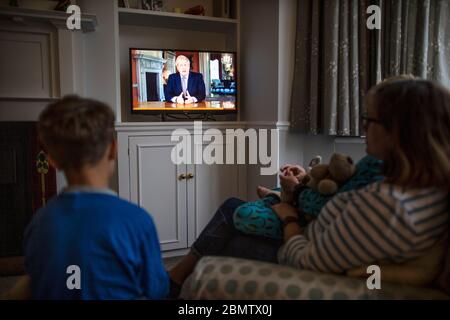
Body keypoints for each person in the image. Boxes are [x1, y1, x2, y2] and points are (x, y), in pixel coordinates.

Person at [168, 78, 450, 296]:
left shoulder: (388, 205)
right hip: (316, 236)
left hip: (302, 251)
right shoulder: (422, 187)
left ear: (397, 131)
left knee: (225, 236)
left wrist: (288, 212)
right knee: (231, 210)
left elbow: (304, 261)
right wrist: (305, 183)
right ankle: (174, 281)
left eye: (370, 119)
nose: (363, 127)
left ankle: (174, 283)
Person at [21, 96, 169, 299]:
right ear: (113, 149)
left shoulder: (39, 222)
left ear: (52, 161)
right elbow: (157, 290)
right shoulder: (136, 221)